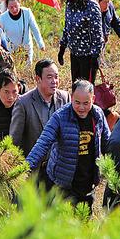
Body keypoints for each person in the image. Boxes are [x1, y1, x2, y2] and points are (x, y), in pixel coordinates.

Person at [26, 80, 111, 211]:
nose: (81, 107)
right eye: (77, 102)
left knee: (83, 219)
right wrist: (25, 168)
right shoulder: (60, 117)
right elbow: (43, 143)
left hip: (87, 182)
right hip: (63, 183)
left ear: (93, 99)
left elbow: (107, 142)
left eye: (86, 103)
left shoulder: (98, 115)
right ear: (71, 98)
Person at [10, 59, 70, 163]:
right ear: (38, 79)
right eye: (49, 77)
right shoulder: (23, 103)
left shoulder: (65, 98)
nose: (54, 81)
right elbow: (14, 140)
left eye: (56, 77)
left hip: (58, 166)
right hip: (34, 166)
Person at [58, 0, 104, 84]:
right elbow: (67, 27)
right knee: (75, 87)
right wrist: (62, 48)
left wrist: (95, 56)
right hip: (74, 54)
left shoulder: (91, 5)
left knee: (86, 89)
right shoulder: (70, 4)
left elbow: (97, 34)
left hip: (88, 56)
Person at [0, 0, 45, 66]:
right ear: (7, 7)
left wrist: (41, 44)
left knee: (27, 67)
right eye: (11, 7)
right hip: (11, 50)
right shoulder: (3, 17)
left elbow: (35, 29)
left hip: (26, 47)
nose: (14, 9)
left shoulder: (27, 13)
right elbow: (0, 35)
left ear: (19, 3)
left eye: (16, 6)